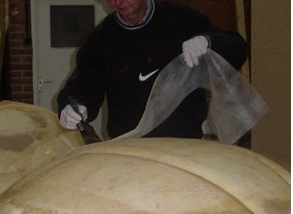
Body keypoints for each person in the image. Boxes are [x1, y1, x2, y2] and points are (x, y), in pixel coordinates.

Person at [57, 0, 248, 142]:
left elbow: (238, 49)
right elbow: (83, 86)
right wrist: (73, 106)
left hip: (185, 143)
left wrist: (208, 41)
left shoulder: (181, 19)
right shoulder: (101, 40)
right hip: (131, 148)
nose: (119, 1)